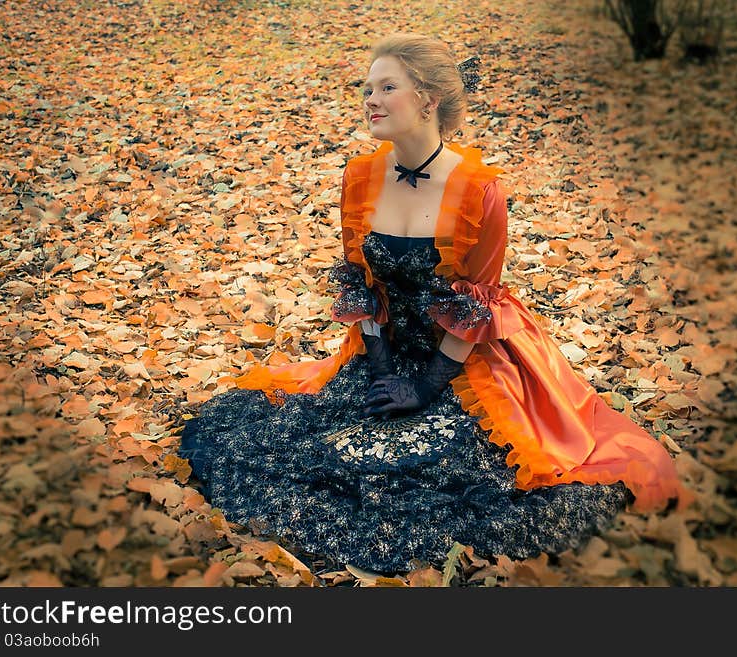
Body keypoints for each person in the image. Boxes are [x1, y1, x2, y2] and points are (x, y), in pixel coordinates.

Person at [179, 33, 691, 574]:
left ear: (428, 99)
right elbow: (362, 283)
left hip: (463, 362)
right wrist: (380, 370)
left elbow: (479, 303)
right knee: (298, 449)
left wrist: (423, 385)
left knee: (447, 484)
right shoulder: (360, 179)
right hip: (385, 351)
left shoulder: (479, 191)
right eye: (367, 88)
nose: (370, 100)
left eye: (387, 86)